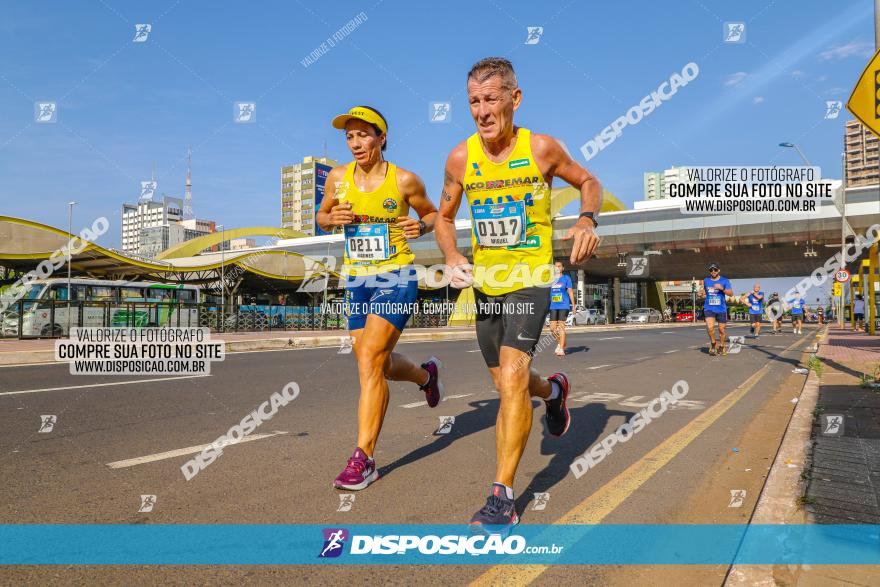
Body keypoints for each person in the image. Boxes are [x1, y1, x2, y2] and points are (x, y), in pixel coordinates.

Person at [434, 57, 601, 530]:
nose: (482, 111)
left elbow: (588, 180)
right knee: (506, 384)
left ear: (514, 98)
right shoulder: (460, 158)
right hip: (486, 285)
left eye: (490, 99)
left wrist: (588, 218)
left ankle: (501, 494)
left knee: (510, 380)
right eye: (473, 101)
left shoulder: (542, 148)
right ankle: (553, 391)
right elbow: (443, 218)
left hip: (530, 280)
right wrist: (450, 256)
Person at [317, 105, 443, 491]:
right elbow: (322, 215)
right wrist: (330, 219)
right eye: (349, 136)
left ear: (381, 137)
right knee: (379, 364)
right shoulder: (338, 178)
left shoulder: (404, 180)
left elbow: (436, 214)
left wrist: (420, 225)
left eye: (363, 135)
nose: (355, 143)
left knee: (369, 360)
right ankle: (425, 375)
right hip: (357, 278)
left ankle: (364, 459)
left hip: (396, 275)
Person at [697, 262, 733, 355]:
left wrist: (722, 288)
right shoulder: (706, 280)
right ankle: (713, 344)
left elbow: (730, 293)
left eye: (715, 270)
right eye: (711, 270)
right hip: (709, 307)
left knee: (721, 330)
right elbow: (705, 291)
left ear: (718, 270)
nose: (713, 271)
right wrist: (701, 293)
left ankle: (722, 346)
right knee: (710, 328)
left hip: (721, 309)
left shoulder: (725, 281)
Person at [548, 261, 575, 356]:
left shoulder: (566, 278)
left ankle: (561, 349)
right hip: (553, 306)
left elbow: (570, 292)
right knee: (552, 329)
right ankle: (561, 343)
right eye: (555, 266)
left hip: (564, 305)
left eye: (559, 266)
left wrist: (574, 305)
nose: (557, 268)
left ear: (563, 268)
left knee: (561, 327)